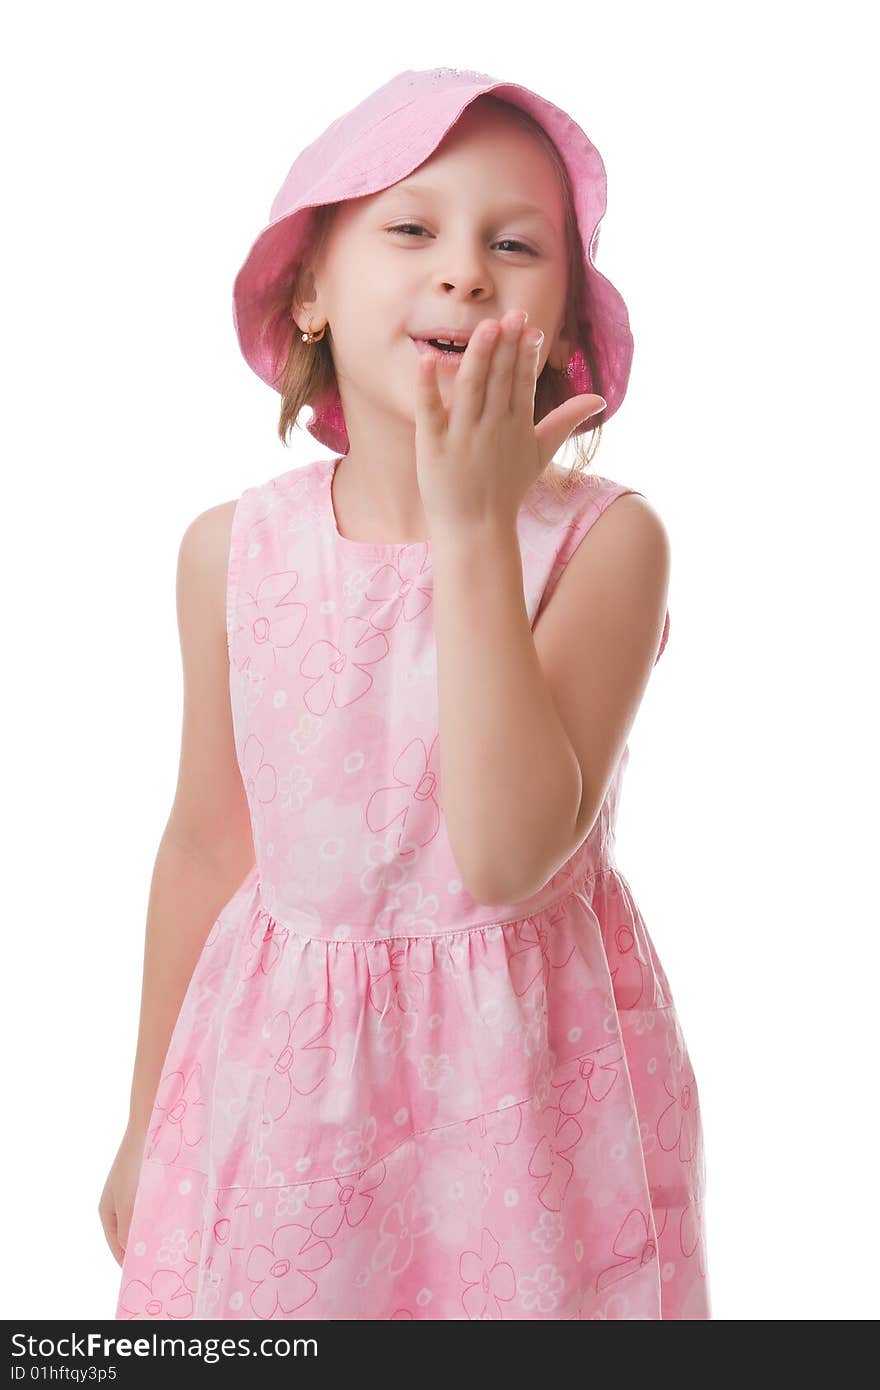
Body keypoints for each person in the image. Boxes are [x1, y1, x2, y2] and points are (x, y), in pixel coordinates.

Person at [100, 66, 710, 1321]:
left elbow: (503, 854)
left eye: (515, 244)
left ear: (563, 322)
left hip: (525, 1118)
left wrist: (473, 525)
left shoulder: (606, 547)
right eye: (411, 227)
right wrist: (142, 1115)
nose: (465, 271)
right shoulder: (233, 551)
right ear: (311, 291)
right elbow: (207, 843)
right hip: (285, 1110)